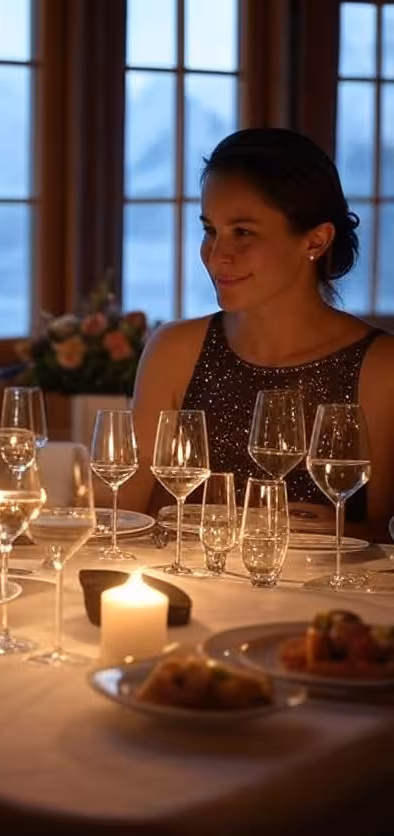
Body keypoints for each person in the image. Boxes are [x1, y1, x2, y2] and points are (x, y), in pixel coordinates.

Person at [121, 127, 394, 540]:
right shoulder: (174, 351)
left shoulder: (380, 368)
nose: (216, 255)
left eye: (243, 232)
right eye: (210, 230)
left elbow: (383, 533)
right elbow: (120, 518)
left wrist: (341, 530)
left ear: (316, 240)